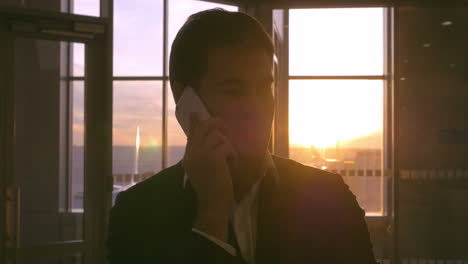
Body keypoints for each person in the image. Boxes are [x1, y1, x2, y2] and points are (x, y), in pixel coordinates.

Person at [107, 9, 377, 264]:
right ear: (185, 98)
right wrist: (211, 218)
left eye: (263, 88)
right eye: (233, 90)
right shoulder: (138, 213)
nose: (255, 107)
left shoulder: (328, 197)